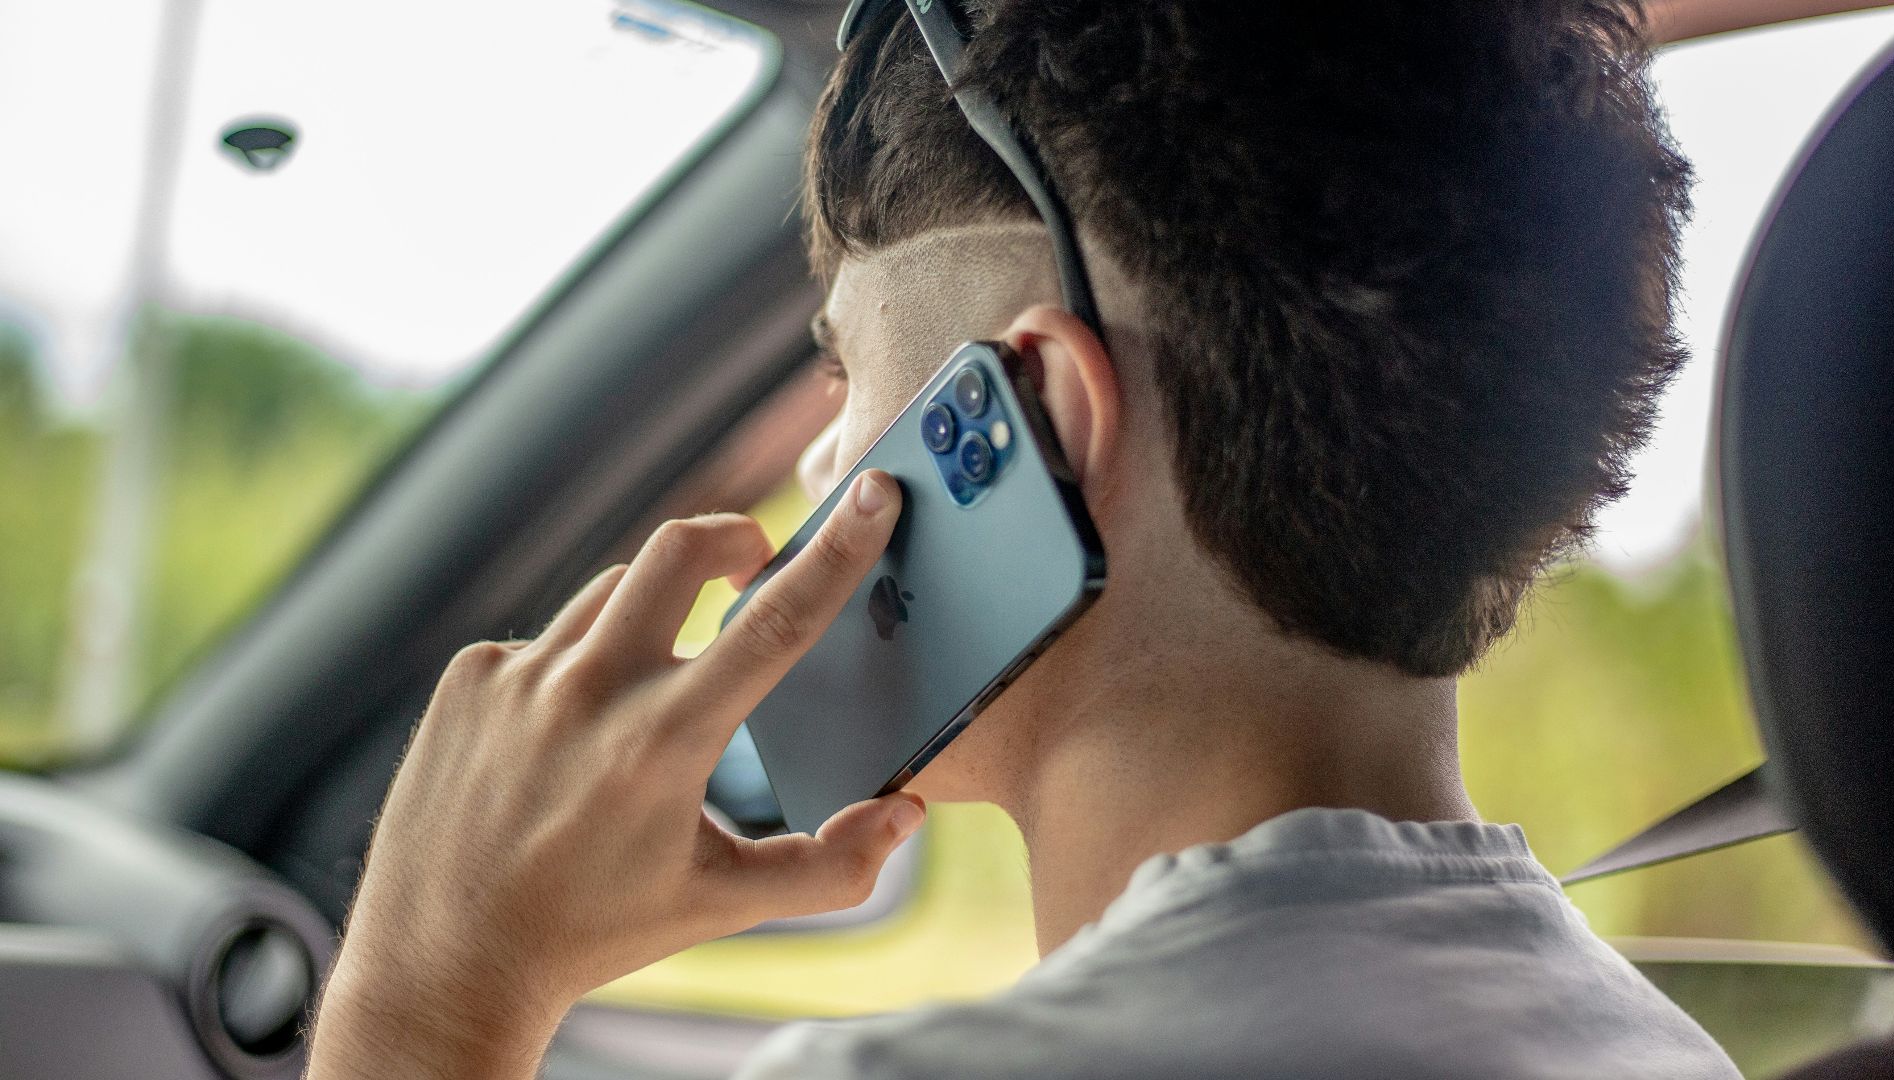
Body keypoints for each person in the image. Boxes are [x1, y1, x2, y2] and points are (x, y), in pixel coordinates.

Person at [305, 2, 1742, 1077]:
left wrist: (430, 996)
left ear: (1040, 419)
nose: (821, 461)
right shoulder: (1675, 1059)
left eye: (850, 378)